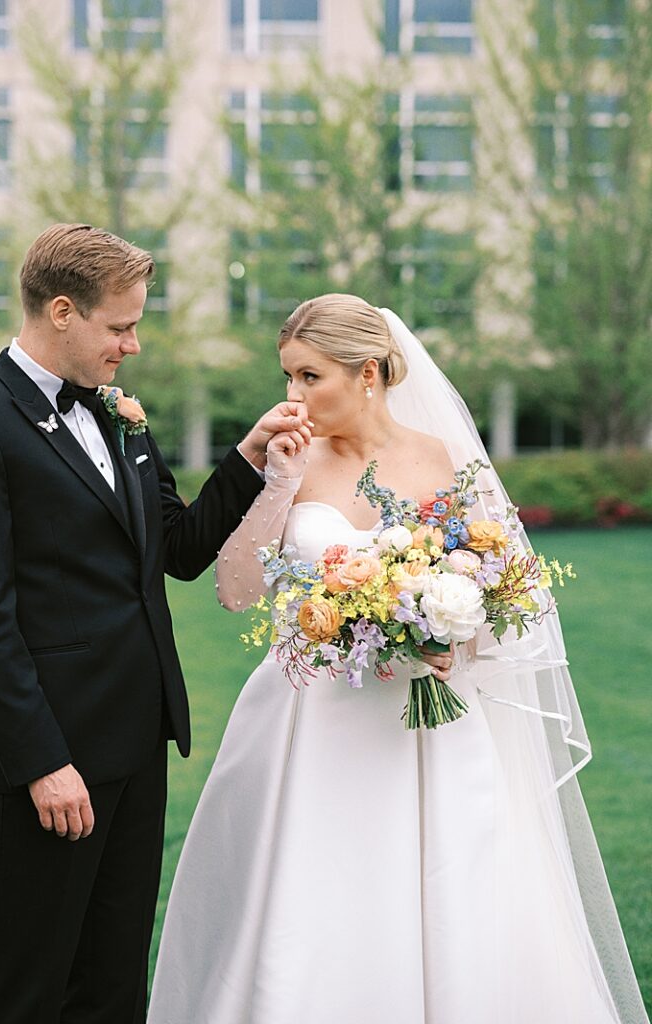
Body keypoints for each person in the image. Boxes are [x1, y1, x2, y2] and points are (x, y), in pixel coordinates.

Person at [148, 294, 650, 1024]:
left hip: (426, 722)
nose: (294, 397)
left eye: (309, 377)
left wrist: (455, 635)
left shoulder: (438, 457)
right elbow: (233, 590)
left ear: (369, 374)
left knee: (448, 890)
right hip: (311, 723)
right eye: (287, 377)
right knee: (316, 895)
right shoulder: (293, 459)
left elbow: (500, 580)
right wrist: (279, 483)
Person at [0, 223, 312, 1024]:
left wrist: (248, 457)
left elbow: (178, 549)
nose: (133, 345)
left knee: (113, 982)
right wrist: (41, 764)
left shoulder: (117, 415)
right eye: (120, 326)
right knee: (26, 987)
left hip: (136, 740)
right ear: (62, 311)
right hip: (49, 759)